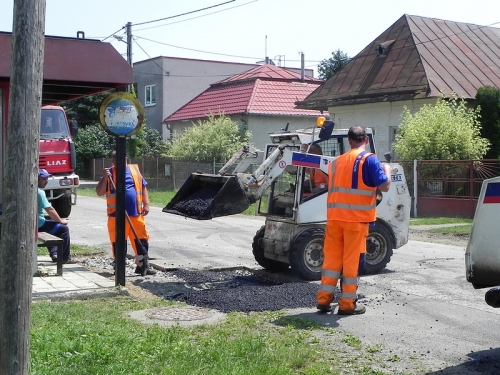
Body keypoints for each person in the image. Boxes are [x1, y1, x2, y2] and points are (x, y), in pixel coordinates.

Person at [317, 126, 391, 315]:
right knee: (351, 261)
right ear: (365, 139)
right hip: (355, 221)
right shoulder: (369, 159)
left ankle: (324, 300)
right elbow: (385, 186)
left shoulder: (335, 163)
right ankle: (347, 304)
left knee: (332, 260)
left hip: (334, 219)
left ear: (349, 140)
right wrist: (388, 170)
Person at [95, 151, 156, 275]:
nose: (122, 162)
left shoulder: (134, 170)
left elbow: (143, 187)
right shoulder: (109, 173)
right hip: (116, 216)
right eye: (118, 160)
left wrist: (146, 204)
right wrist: (105, 177)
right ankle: (119, 266)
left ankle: (142, 265)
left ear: (127, 159)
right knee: (118, 242)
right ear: (113, 161)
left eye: (124, 159)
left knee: (142, 239)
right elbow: (100, 192)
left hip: (136, 214)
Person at [37, 169, 72, 263]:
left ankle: (54, 253)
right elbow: (49, 209)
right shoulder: (39, 192)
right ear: (37, 179)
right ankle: (64, 258)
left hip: (32, 224)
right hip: (37, 226)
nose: (46, 181)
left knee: (50, 224)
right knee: (63, 229)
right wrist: (60, 220)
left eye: (47, 178)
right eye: (44, 179)